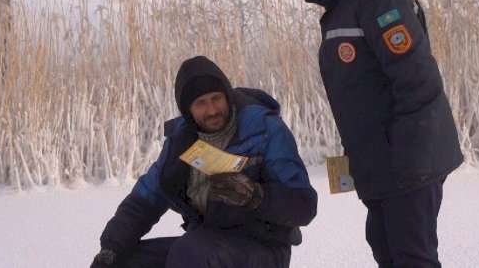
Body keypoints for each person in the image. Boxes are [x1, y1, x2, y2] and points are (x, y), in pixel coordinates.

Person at [274, 0, 463, 267]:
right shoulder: (341, 6)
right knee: (384, 248)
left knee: (412, 258)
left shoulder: (378, 0)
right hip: (380, 164)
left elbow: (418, 84)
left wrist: (409, 164)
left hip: (408, 162)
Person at [91, 55, 318, 267]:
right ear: (187, 109)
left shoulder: (264, 130)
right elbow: (142, 202)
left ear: (227, 96)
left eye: (216, 99)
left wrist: (256, 197)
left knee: (190, 252)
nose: (212, 110)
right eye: (200, 103)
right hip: (206, 241)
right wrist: (111, 247)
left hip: (264, 246)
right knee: (125, 261)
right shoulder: (180, 144)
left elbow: (304, 205)